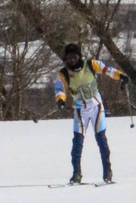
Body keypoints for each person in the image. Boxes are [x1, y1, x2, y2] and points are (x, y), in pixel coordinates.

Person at [53, 42, 128, 185]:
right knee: (77, 142)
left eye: (74, 57)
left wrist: (121, 76)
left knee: (101, 140)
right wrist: (60, 99)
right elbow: (59, 87)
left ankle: (107, 172)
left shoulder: (91, 64)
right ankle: (76, 174)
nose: (72, 60)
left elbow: (107, 70)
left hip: (96, 108)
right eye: (69, 58)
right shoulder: (63, 73)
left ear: (79, 56)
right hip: (80, 110)